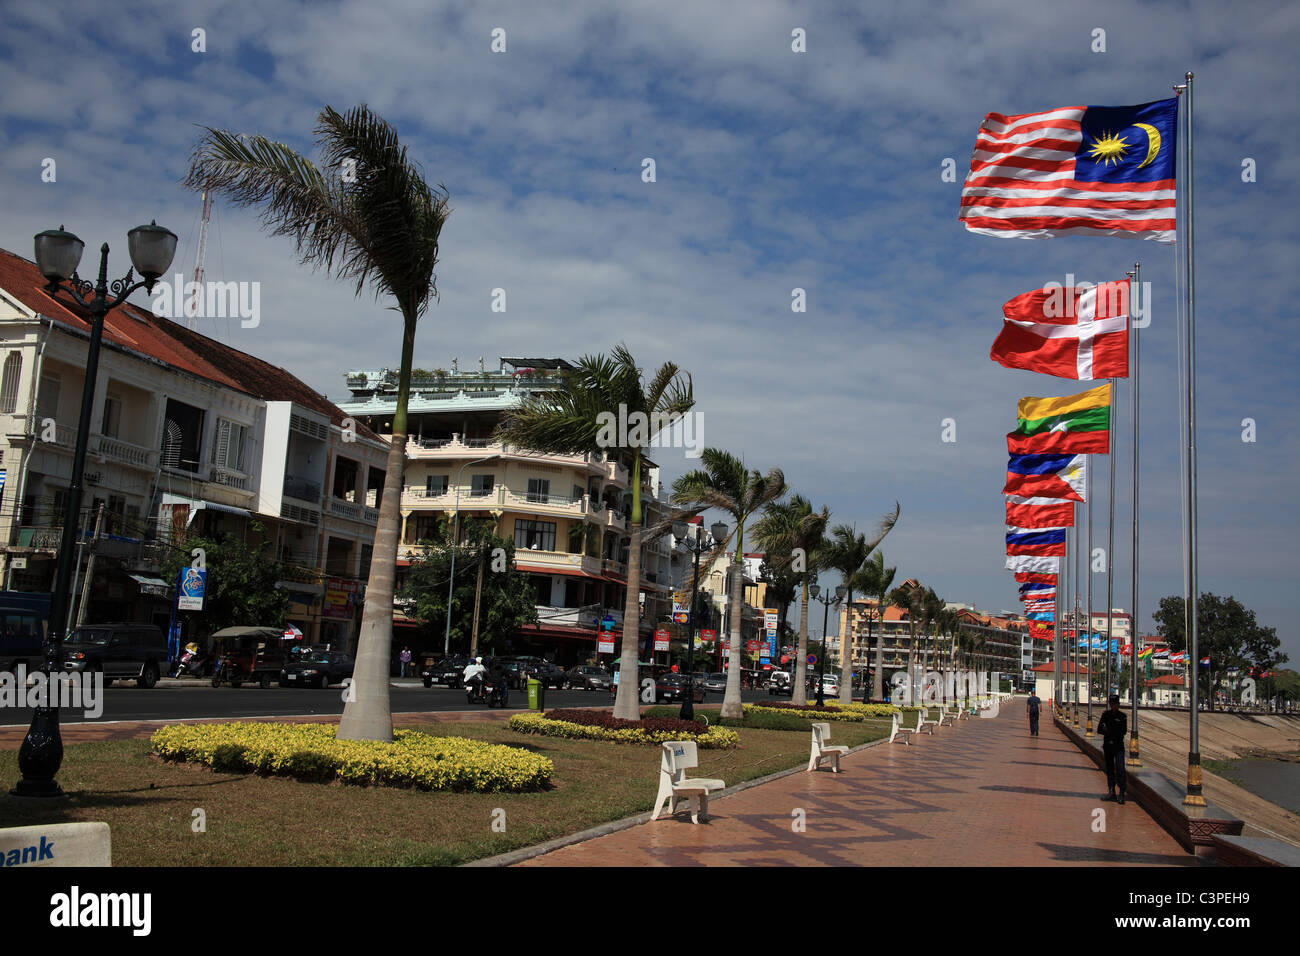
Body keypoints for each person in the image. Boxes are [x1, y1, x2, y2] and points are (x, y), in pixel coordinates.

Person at [1097, 693, 1128, 804]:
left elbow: (1123, 731)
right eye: (1111, 703)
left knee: (1120, 769)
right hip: (1108, 745)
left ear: (1118, 704)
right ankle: (1111, 791)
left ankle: (1121, 793)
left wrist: (1108, 730)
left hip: (1118, 746)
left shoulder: (1122, 716)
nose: (1113, 705)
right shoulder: (1106, 715)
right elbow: (1099, 729)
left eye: (1115, 704)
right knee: (1109, 769)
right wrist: (1109, 730)